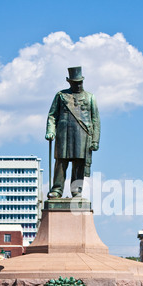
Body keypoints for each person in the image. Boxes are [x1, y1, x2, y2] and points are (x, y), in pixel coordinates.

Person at [45, 66, 101, 199]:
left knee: (79, 163)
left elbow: (95, 120)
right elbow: (52, 115)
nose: (78, 85)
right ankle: (57, 189)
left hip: (82, 135)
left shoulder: (90, 97)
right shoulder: (61, 96)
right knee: (61, 163)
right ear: (69, 82)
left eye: (80, 82)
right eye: (75, 83)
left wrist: (95, 140)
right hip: (63, 135)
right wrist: (50, 130)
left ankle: (76, 190)